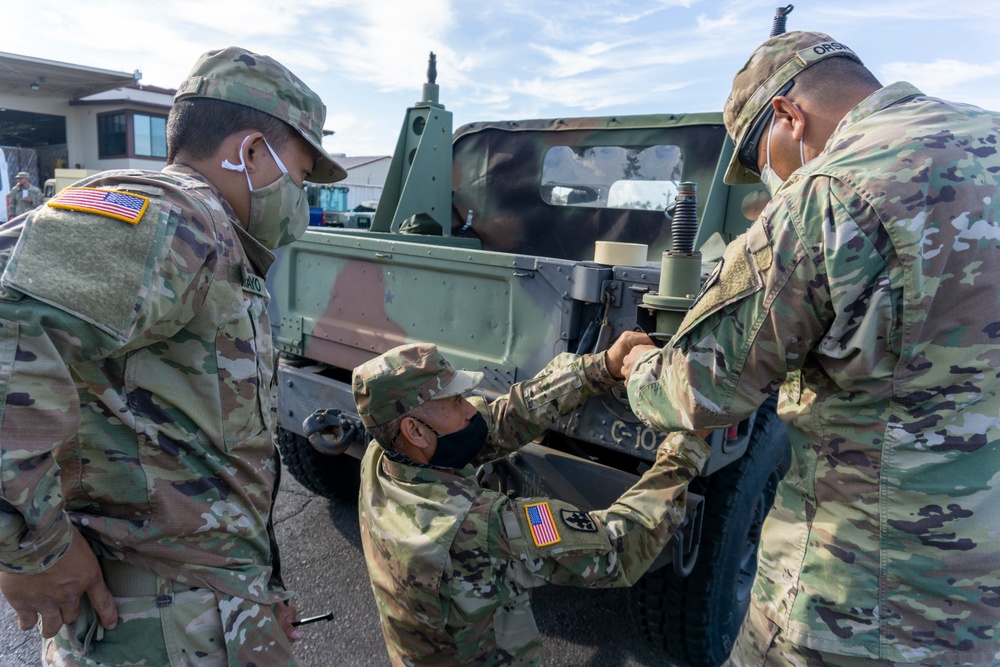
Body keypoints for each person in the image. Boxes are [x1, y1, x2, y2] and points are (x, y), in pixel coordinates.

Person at [622, 30, 1000, 666]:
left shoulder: (829, 194)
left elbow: (701, 388)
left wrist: (637, 370)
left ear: (788, 117)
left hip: (855, 605)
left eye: (760, 158)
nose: (770, 180)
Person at [0, 47, 347, 666]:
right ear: (248, 151)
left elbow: (204, 451)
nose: (299, 199)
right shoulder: (176, 216)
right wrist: (34, 550)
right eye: (297, 176)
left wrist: (255, 590)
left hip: (206, 611)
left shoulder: (218, 240)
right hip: (156, 630)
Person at [352, 337, 712, 666]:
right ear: (414, 431)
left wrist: (600, 367)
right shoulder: (478, 528)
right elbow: (615, 549)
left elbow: (499, 421)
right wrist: (684, 451)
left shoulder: (382, 459)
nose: (471, 410)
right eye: (457, 401)